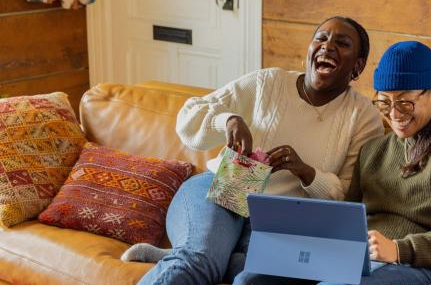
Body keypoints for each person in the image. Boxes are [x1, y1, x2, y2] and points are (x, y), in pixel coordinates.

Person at [120, 16, 385, 285]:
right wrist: (227, 120)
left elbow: (351, 197)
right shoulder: (268, 83)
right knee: (197, 262)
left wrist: (307, 173)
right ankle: (194, 253)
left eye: (342, 43)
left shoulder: (363, 117)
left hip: (283, 221)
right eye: (321, 38)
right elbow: (188, 116)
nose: (327, 47)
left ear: (358, 65)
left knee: (250, 274)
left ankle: (189, 253)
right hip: (223, 187)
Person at [233, 41, 431, 285]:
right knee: (250, 279)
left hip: (420, 266)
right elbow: (348, 216)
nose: (394, 115)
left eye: (405, 103)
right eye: (384, 102)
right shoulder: (373, 150)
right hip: (355, 256)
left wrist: (399, 249)